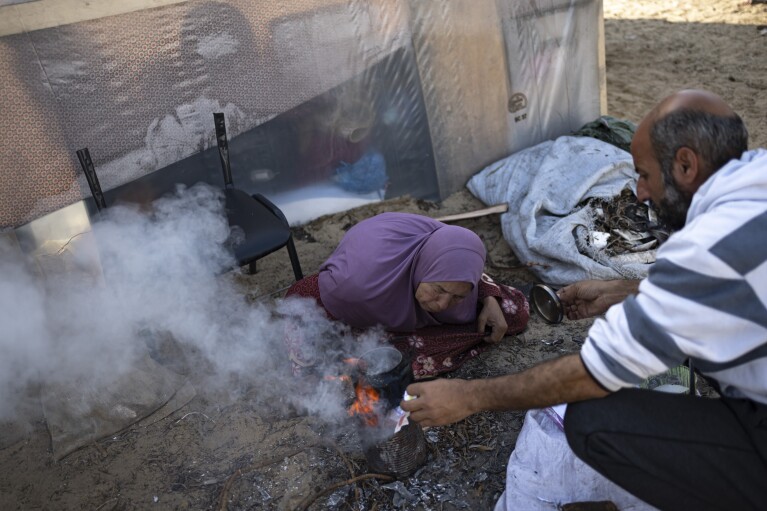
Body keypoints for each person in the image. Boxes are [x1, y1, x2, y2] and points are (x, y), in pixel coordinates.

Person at [401, 90, 767, 510]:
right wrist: (624, 292)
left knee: (593, 421)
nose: (640, 194)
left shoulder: (706, 248)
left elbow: (593, 373)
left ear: (686, 164)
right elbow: (727, 293)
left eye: (645, 175)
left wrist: (469, 396)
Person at [284, 212, 529, 378]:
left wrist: (489, 296)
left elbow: (463, 261)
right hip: (367, 297)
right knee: (326, 363)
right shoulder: (356, 285)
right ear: (423, 268)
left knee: (510, 314)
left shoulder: (446, 245)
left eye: (458, 296)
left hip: (411, 288)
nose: (443, 304)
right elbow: (301, 297)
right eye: (439, 290)